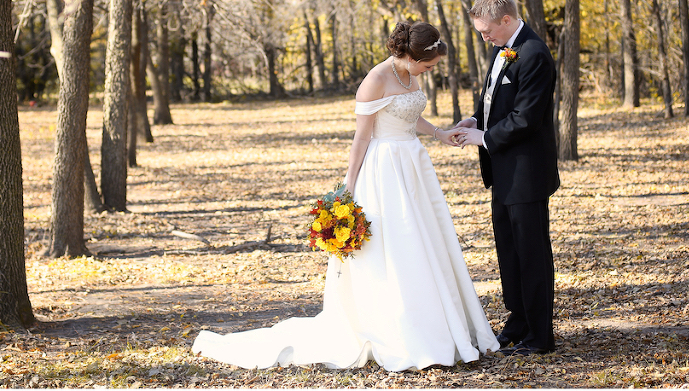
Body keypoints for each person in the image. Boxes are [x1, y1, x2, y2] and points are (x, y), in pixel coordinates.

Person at [191, 21, 500, 371]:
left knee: (427, 242)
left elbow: (411, 116)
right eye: (427, 66)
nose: (429, 73)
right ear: (408, 55)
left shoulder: (410, 75)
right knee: (397, 245)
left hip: (413, 165)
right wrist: (348, 188)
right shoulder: (374, 81)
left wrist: (439, 133)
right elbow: (362, 138)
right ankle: (401, 333)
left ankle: (439, 324)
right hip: (384, 171)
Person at [454, 0, 560, 356]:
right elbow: (497, 102)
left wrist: (481, 137)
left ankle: (539, 335)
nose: (483, 37)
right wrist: (475, 119)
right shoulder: (503, 50)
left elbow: (526, 118)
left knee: (531, 253)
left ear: (506, 20)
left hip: (527, 173)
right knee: (509, 252)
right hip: (503, 173)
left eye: (486, 31)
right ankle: (518, 322)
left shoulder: (533, 54)